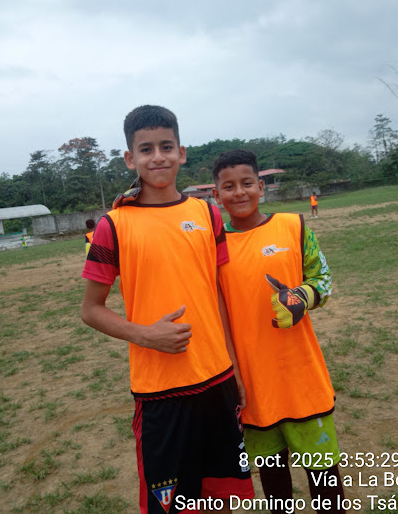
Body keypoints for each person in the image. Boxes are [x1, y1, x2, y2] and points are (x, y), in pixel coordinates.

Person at [81, 106, 253, 514]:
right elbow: (91, 309)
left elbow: (215, 295)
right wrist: (145, 334)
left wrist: (233, 366)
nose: (157, 157)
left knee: (222, 498)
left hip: (217, 380)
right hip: (160, 391)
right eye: (146, 149)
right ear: (130, 158)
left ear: (182, 153)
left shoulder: (207, 213)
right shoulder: (113, 224)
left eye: (166, 146)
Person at [212, 149, 345, 514]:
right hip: (251, 383)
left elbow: (323, 278)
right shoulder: (213, 247)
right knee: (274, 482)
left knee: (325, 477)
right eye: (229, 186)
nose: (239, 192)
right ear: (217, 195)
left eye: (247, 183)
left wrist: (302, 297)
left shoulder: (294, 226)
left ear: (261, 186)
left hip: (301, 376)